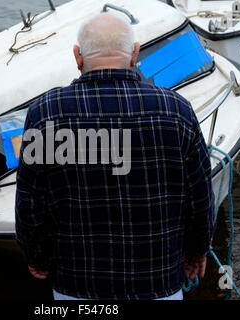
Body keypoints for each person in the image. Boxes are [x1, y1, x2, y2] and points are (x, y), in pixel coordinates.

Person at [15, 13, 215, 300]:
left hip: (77, 285)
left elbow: (30, 203)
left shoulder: (45, 113)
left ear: (78, 56)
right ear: (134, 53)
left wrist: (36, 256)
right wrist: (196, 252)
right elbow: (200, 199)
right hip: (158, 283)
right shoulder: (177, 111)